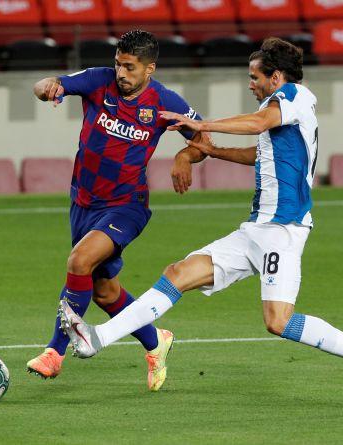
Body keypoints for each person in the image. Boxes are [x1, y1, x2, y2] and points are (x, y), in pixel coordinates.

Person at [58, 37, 343, 404]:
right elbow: (262, 153)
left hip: (282, 231)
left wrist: (200, 123)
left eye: (255, 76)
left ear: (277, 76)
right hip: (256, 229)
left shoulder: (293, 98)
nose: (250, 83)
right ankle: (96, 339)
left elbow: (257, 125)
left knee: (279, 321)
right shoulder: (281, 109)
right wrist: (212, 150)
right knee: (178, 274)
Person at [26, 29, 207, 392]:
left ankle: (54, 353)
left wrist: (185, 156)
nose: (121, 73)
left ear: (149, 69)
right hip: (83, 202)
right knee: (104, 292)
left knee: (79, 262)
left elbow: (202, 137)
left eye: (129, 67)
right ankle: (156, 340)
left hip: (127, 206)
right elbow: (48, 82)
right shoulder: (98, 81)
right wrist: (47, 87)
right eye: (118, 64)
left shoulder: (163, 102)